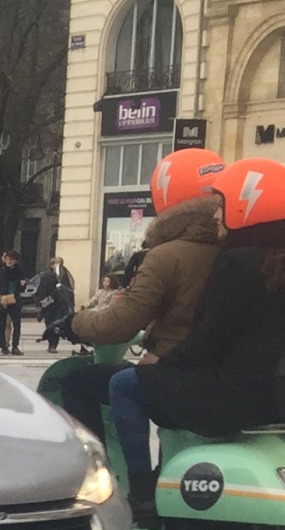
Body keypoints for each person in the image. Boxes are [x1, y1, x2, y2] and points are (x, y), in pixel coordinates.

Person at [108, 159, 285, 526]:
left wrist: (162, 363)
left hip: (234, 394)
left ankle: (142, 493)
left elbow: (208, 340)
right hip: (281, 391)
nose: (216, 218)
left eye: (222, 206)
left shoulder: (240, 261)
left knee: (125, 384)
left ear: (247, 205)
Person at [55, 166, 227, 447]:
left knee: (80, 383)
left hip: (176, 373)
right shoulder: (231, 249)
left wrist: (75, 323)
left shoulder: (166, 255)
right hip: (216, 373)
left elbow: (120, 325)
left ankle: (120, 477)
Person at [35, 255, 77, 350]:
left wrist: (70, 303)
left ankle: (53, 345)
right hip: (49, 304)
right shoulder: (46, 276)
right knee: (49, 324)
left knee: (56, 324)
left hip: (60, 304)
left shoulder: (64, 277)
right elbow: (41, 290)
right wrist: (39, 303)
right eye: (55, 264)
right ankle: (51, 342)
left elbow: (69, 290)